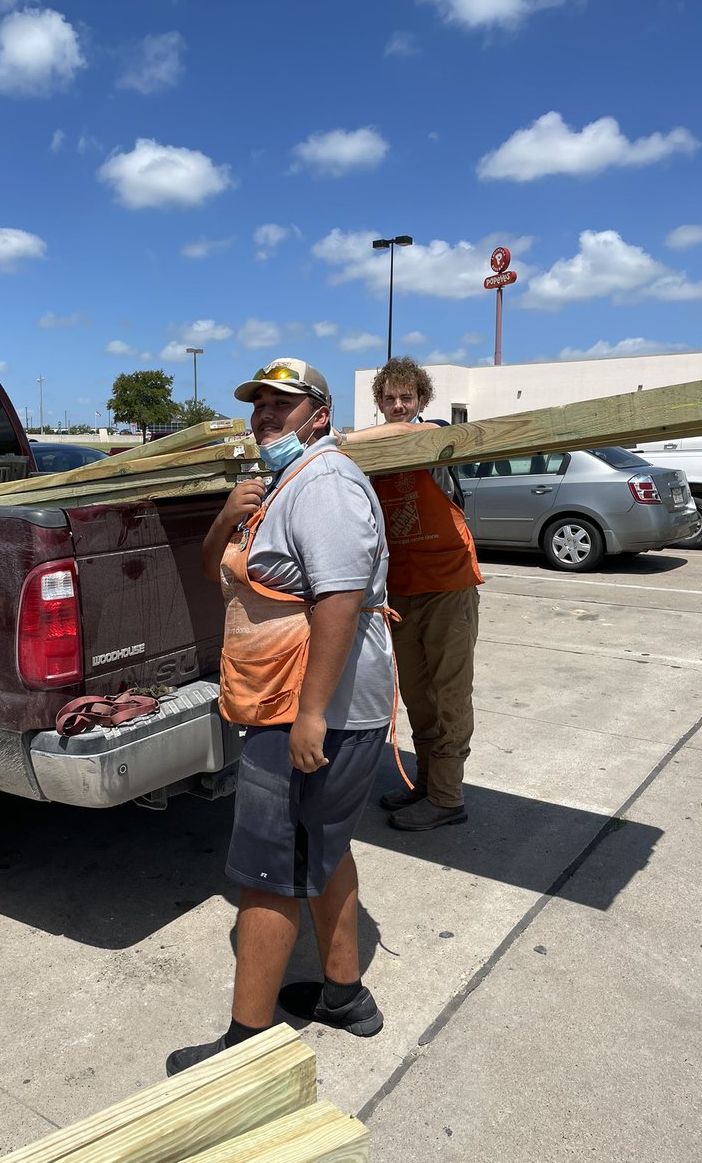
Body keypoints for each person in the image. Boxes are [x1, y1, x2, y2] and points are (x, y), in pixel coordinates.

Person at [166, 359, 394, 1076]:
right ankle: (345, 995)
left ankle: (246, 1049)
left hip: (307, 707)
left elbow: (338, 598)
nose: (266, 415)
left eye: (282, 404)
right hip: (281, 698)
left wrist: (310, 716)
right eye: (259, 404)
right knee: (322, 848)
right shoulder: (275, 486)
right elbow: (218, 570)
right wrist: (226, 518)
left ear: (319, 414)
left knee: (269, 873)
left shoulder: (324, 484)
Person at [346, 356, 483, 831]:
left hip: (449, 584)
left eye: (407, 397)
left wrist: (334, 441)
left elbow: (409, 437)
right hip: (401, 592)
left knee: (449, 693)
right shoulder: (372, 458)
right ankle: (426, 784)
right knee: (417, 696)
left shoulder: (434, 433)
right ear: (379, 403)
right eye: (389, 398)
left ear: (422, 401)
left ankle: (448, 798)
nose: (399, 405)